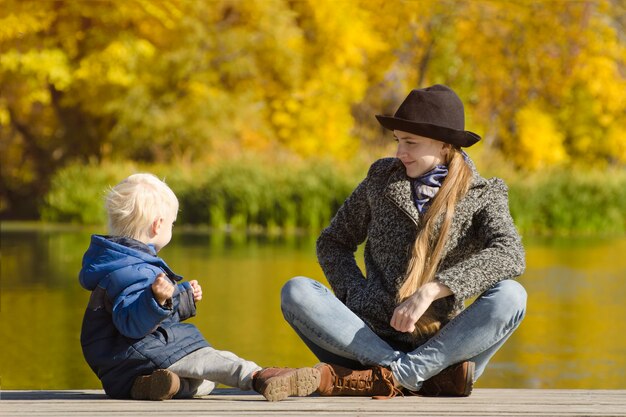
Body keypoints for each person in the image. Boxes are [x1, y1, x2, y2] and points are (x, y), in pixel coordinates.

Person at [280, 84, 527, 398]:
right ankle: (410, 374)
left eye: (410, 142)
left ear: (444, 145)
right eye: (397, 141)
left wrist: (432, 290)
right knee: (296, 290)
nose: (399, 152)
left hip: (445, 350)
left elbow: (510, 254)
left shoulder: (483, 194)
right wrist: (356, 294)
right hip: (364, 338)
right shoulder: (381, 179)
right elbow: (333, 242)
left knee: (512, 296)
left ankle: (389, 377)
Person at [79, 173, 320, 401]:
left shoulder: (120, 264)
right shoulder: (135, 270)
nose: (171, 228)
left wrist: (182, 297)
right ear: (157, 225)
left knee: (205, 381)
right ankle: (260, 377)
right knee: (213, 360)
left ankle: (159, 385)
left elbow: (145, 317)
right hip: (141, 353)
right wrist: (156, 299)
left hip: (121, 370)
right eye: (171, 224)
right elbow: (131, 323)